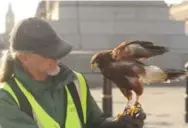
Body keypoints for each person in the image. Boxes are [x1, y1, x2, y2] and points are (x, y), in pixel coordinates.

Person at [0, 17, 146, 128]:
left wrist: (116, 124)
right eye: (48, 53)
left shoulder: (75, 82)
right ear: (24, 57)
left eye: (57, 50)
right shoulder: (6, 99)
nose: (57, 57)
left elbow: (94, 121)